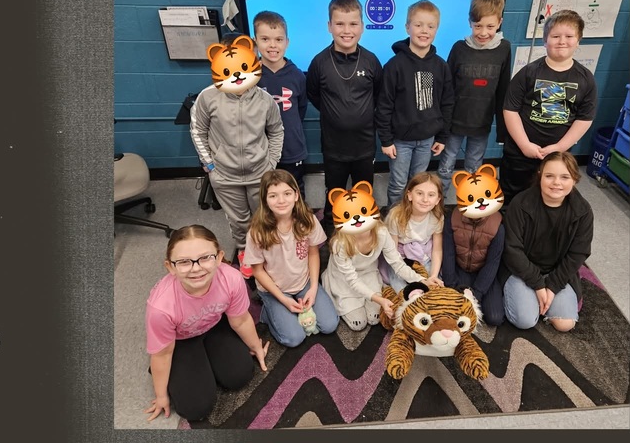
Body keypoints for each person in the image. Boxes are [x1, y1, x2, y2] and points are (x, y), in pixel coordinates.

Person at [144, 225, 270, 422]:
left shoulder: (232, 277)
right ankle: (185, 368)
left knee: (240, 376)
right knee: (196, 409)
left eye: (205, 258)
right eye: (184, 262)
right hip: (180, 340)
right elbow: (162, 354)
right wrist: (161, 395)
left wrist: (256, 346)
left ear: (219, 257)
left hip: (214, 324)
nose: (196, 268)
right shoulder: (161, 307)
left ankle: (206, 360)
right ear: (170, 267)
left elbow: (241, 319)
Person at [190, 34, 284, 273]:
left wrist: (271, 162)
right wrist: (209, 164)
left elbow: (276, 131)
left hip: (260, 173)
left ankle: (267, 251)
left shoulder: (264, 100)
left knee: (263, 216)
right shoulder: (207, 97)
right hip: (224, 176)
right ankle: (244, 251)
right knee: (239, 220)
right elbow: (198, 130)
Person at [501, 9, 597, 206]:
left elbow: (585, 118)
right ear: (545, 41)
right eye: (555, 36)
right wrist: (525, 145)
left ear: (578, 41)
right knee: (512, 197)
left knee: (549, 199)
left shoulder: (586, 78)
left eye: (569, 36)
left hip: (557, 155)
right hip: (520, 154)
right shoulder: (528, 73)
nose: (562, 41)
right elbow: (510, 110)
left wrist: (559, 147)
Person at [306, 0, 383, 236]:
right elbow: (314, 95)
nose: (346, 30)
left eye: (352, 24)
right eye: (339, 23)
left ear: (362, 26)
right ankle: (333, 234)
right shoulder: (319, 63)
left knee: (364, 193)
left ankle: (364, 234)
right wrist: (336, 114)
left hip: (364, 147)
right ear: (329, 26)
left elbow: (379, 97)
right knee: (334, 193)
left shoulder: (371, 61)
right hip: (334, 148)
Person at [244, 169, 339, 347]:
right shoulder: (256, 232)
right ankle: (267, 310)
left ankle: (290, 304)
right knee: (294, 339)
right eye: (273, 196)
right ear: (264, 199)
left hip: (303, 283)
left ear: (296, 195)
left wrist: (312, 287)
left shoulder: (308, 219)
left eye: (287, 193)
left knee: (329, 325)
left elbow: (313, 252)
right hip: (275, 288)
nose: (281, 201)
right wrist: (283, 299)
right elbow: (257, 270)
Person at [499, 152, 592, 332]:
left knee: (565, 324)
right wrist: (538, 285)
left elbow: (577, 254)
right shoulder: (520, 204)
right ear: (540, 176)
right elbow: (512, 249)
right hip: (520, 270)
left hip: (555, 271)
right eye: (549, 176)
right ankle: (524, 298)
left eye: (565, 177)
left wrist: (553, 286)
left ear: (574, 179)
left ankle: (543, 301)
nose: (556, 183)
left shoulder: (583, 211)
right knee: (525, 321)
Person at [375, 0, 454, 209]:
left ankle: (413, 221)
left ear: (436, 29)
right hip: (400, 141)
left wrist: (442, 136)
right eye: (418, 25)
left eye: (430, 26)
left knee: (418, 185)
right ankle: (394, 221)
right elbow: (384, 105)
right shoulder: (394, 66)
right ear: (407, 27)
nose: (424, 31)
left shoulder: (441, 66)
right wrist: (386, 139)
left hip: (427, 140)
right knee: (398, 185)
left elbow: (447, 103)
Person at [437, 0, 512, 199]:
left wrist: (502, 131)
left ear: (499, 22)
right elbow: (446, 88)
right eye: (478, 26)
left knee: (473, 167)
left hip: (482, 123)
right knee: (446, 165)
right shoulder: (459, 48)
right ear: (470, 22)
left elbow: (503, 89)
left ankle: (468, 202)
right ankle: (438, 204)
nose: (483, 32)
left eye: (490, 26)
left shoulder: (504, 49)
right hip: (455, 121)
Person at [320, 181, 424, 331]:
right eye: (349, 215)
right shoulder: (340, 243)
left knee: (374, 319)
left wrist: (421, 280)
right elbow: (352, 280)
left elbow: (397, 262)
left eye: (362, 211)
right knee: (359, 323)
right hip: (344, 281)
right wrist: (379, 299)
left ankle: (369, 299)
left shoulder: (381, 232)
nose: (357, 219)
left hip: (368, 274)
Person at [440, 164, 506, 326]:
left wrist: (477, 292)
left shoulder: (498, 225)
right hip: (460, 269)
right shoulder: (452, 219)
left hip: (484, 273)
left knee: (495, 317)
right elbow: (447, 254)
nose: (480, 202)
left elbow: (493, 262)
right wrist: (452, 285)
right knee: (453, 311)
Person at [254, 11, 309, 199]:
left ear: (287, 42)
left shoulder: (297, 76)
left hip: (292, 147)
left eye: (278, 39)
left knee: (295, 190)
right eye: (265, 39)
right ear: (255, 42)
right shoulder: (251, 76)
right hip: (262, 150)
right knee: (267, 193)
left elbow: (301, 108)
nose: (272, 45)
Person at [381, 171, 445, 292]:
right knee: (403, 291)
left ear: (438, 199)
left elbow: (437, 250)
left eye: (431, 195)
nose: (425, 199)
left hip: (424, 254)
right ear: (409, 195)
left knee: (434, 287)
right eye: (419, 193)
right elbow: (393, 254)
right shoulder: (396, 216)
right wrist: (418, 280)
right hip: (400, 257)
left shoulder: (437, 218)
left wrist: (433, 275)